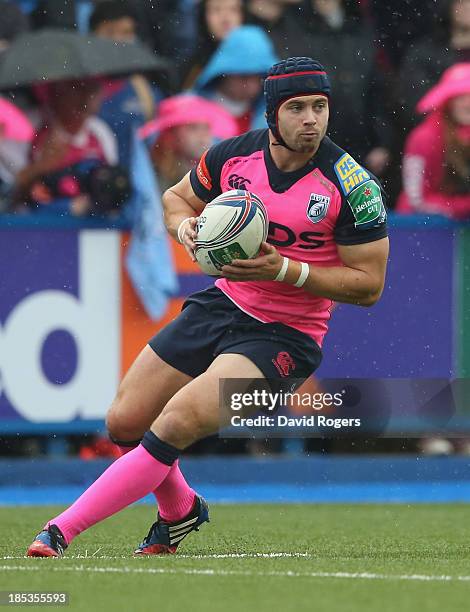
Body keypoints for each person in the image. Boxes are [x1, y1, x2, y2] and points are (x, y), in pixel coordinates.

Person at [26, 56, 389, 558]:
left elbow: (369, 285)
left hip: (287, 337)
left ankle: (61, 529)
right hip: (222, 305)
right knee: (123, 422)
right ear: (272, 113)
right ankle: (180, 510)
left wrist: (283, 269)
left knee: (175, 422)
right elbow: (176, 200)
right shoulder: (232, 157)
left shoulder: (353, 187)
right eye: (298, 107)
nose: (311, 119)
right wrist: (186, 230)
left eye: (320, 107)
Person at [397, 63, 470, 219]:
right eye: (461, 97)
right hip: (420, 228)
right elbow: (416, 199)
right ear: (447, 102)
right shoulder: (424, 137)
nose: (468, 104)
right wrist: (463, 206)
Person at [193, 24, 278, 134]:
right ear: (223, 73)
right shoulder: (189, 114)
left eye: (259, 78)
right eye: (244, 76)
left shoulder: (271, 117)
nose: (252, 86)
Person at [181, 0, 246, 90]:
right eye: (216, 10)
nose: (225, 19)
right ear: (203, 15)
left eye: (233, 10)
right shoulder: (193, 66)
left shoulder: (258, 61)